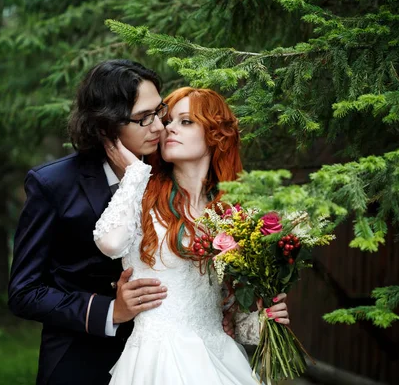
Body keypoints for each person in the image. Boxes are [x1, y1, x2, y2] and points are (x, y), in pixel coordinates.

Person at [94, 87, 291, 384]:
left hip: (217, 357)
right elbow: (110, 244)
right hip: (157, 358)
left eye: (186, 122)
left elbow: (224, 312)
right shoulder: (141, 194)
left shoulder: (232, 216)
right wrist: (134, 174)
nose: (168, 128)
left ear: (216, 135)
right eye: (168, 120)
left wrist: (264, 323)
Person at [9, 60, 173, 385]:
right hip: (81, 359)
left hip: (162, 358)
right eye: (143, 118)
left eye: (160, 111)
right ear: (106, 126)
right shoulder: (53, 185)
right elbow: (24, 292)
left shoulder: (171, 171)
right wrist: (110, 311)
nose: (159, 127)